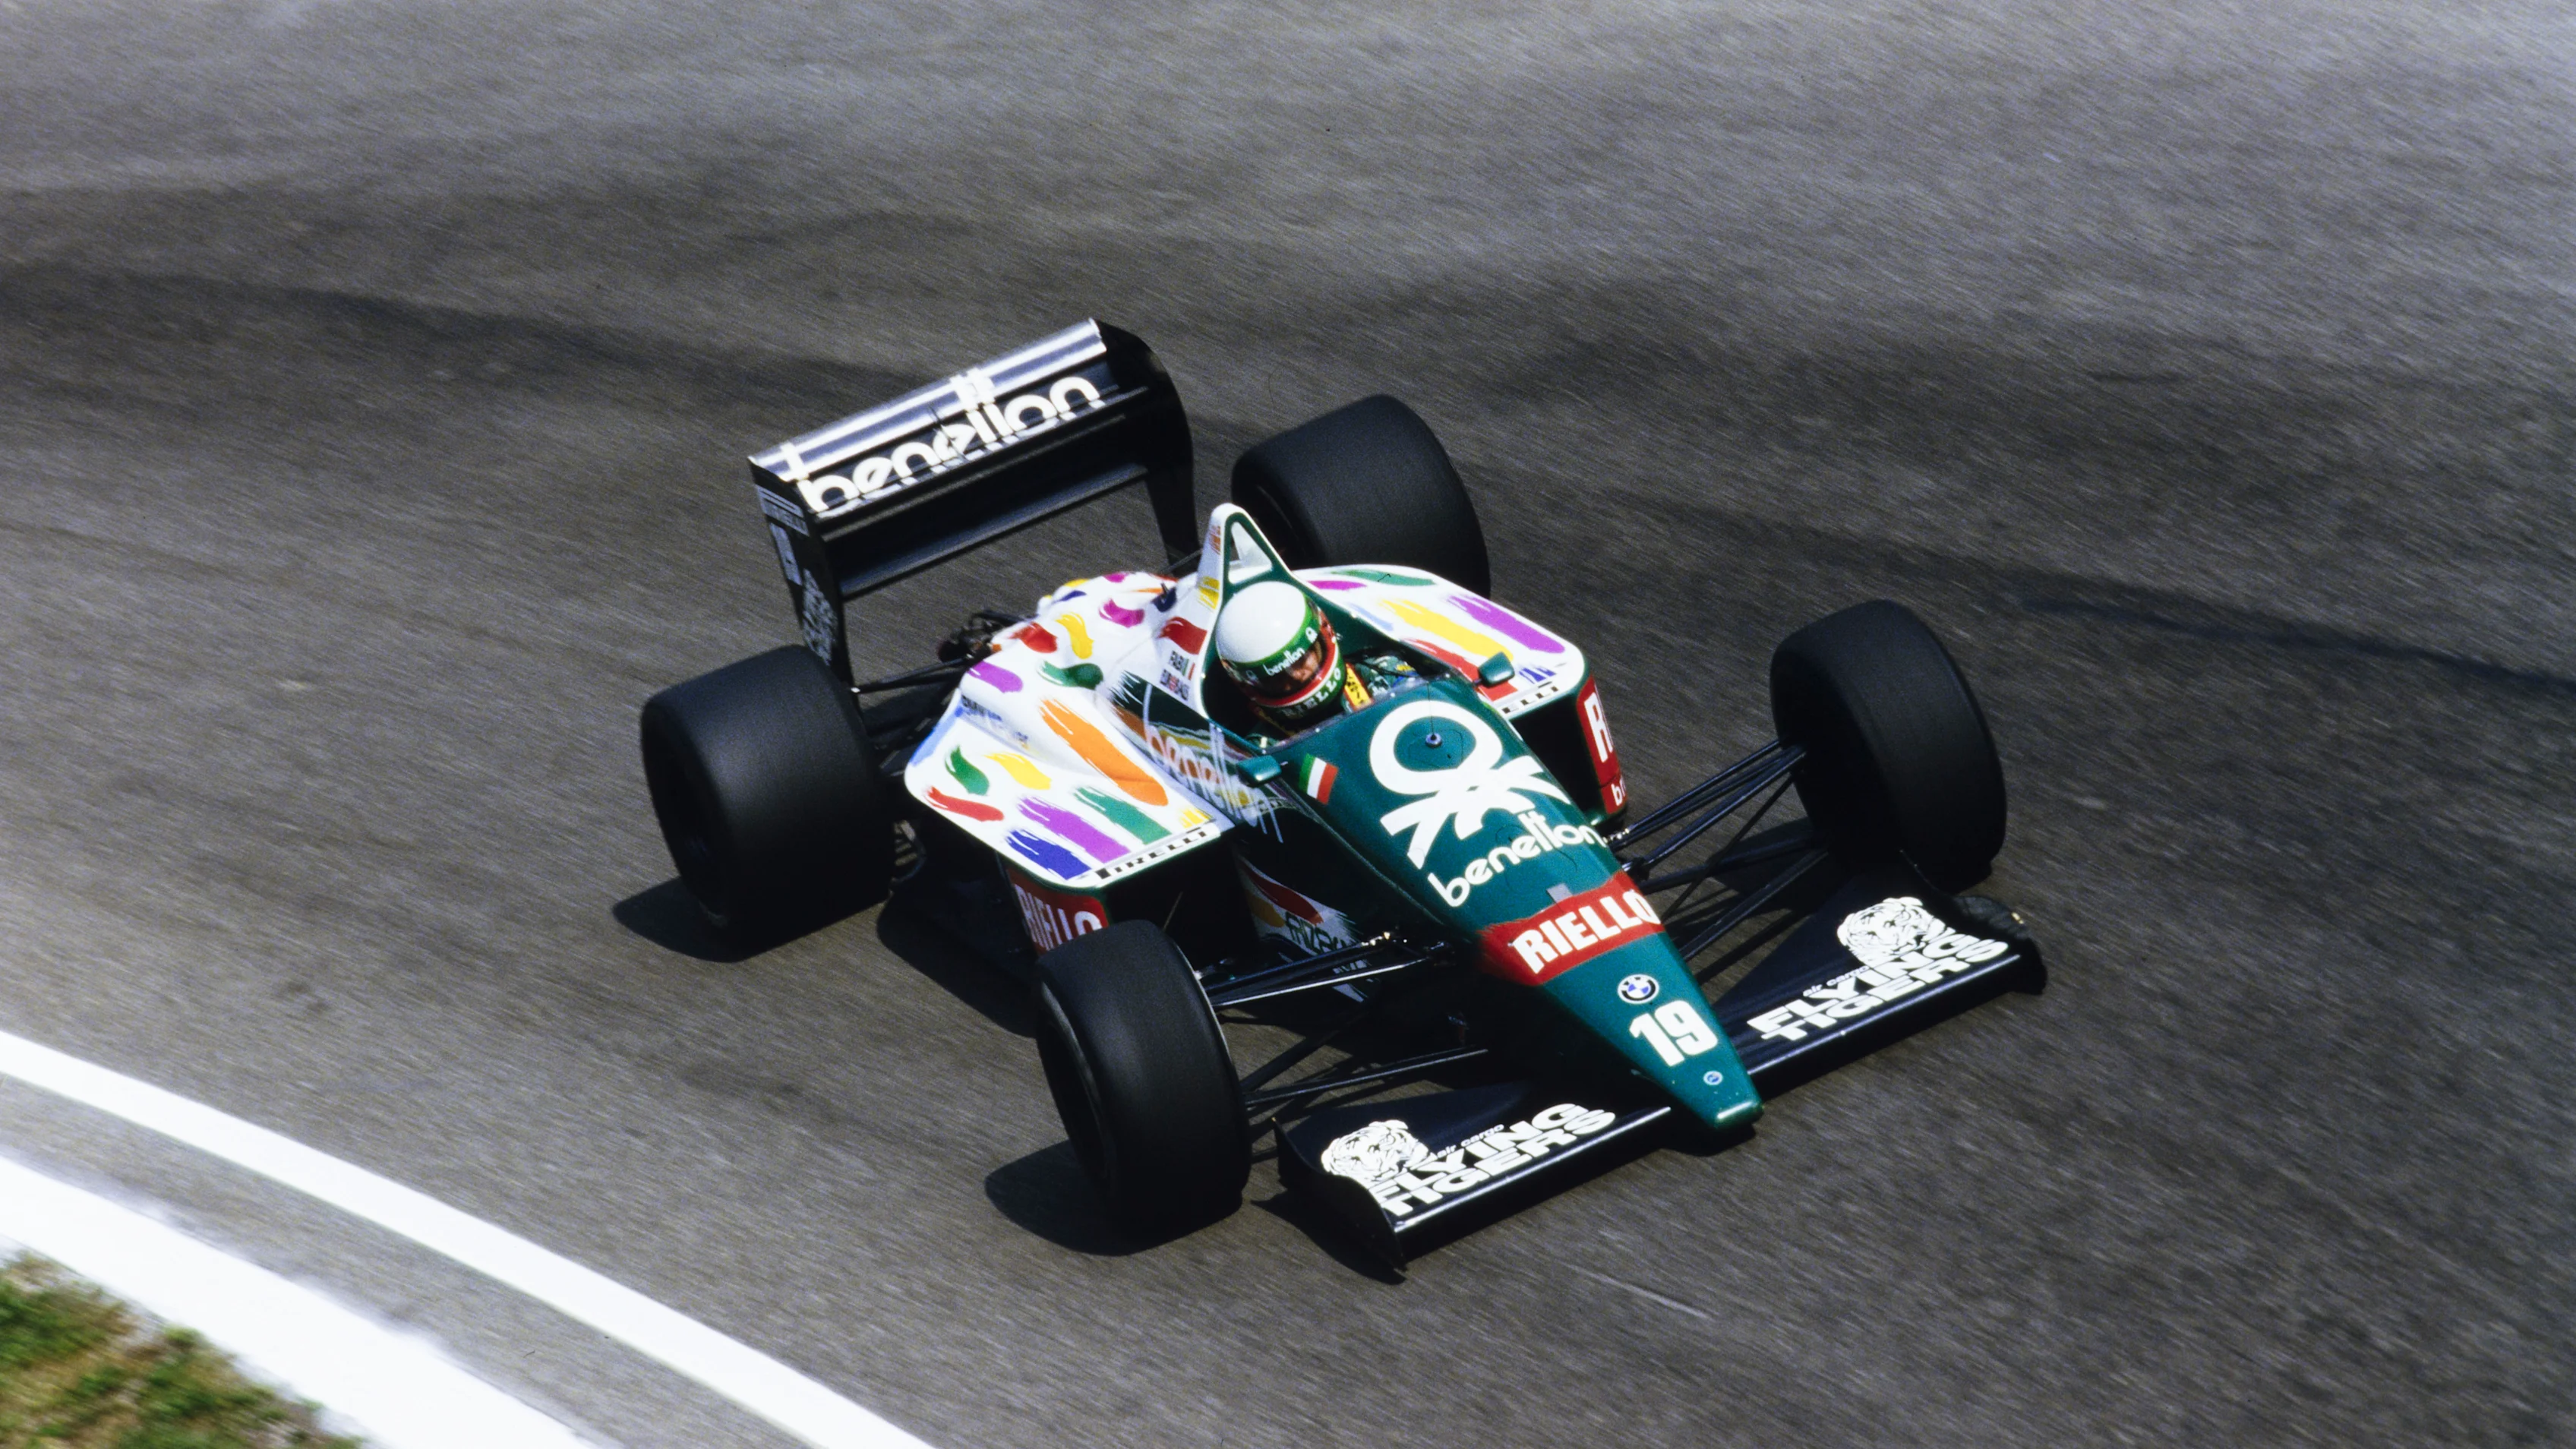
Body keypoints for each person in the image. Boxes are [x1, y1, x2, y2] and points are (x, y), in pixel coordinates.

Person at [1214, 579, 1410, 733]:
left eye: (1301, 659)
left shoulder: (1383, 672)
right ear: (1247, 685)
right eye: (1277, 677)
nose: (1297, 675)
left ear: (1324, 633)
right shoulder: (1264, 746)